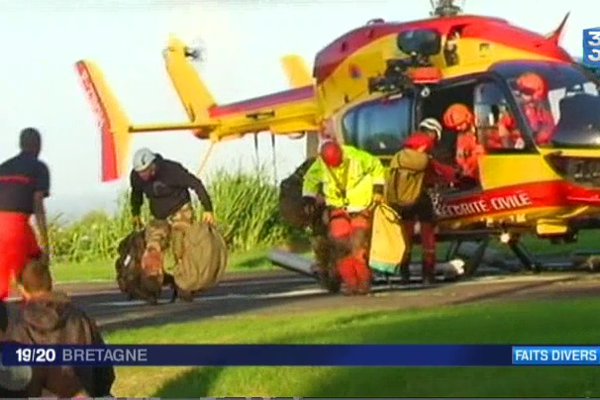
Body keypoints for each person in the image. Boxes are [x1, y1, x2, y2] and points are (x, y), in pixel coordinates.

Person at [2, 258, 115, 397]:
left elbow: (11, 381)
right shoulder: (80, 319)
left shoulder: (18, 327)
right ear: (50, 283)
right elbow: (104, 375)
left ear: (22, 289)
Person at [130, 148, 215, 301]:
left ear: (153, 166)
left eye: (145, 171)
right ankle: (151, 288)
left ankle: (185, 286)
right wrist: (135, 212)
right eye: (140, 173)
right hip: (159, 216)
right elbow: (136, 193)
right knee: (152, 249)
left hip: (180, 211)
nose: (142, 176)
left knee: (179, 247)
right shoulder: (137, 176)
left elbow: (196, 184)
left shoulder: (172, 170)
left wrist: (208, 209)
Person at [302, 140, 385, 295]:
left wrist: (378, 190)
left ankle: (364, 284)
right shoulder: (321, 164)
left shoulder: (357, 157)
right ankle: (352, 285)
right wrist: (308, 198)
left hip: (361, 207)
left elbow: (376, 167)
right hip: (338, 208)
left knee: (358, 248)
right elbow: (310, 179)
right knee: (340, 248)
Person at [391, 118, 458, 285]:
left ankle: (404, 273)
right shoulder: (426, 144)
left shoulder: (405, 146)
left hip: (404, 196)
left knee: (406, 235)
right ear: (433, 132)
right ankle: (428, 274)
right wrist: (454, 175)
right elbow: (432, 167)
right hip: (421, 195)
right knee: (427, 235)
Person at [0, 128, 50, 302]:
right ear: (38, 146)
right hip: (17, 226)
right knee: (34, 271)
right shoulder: (39, 168)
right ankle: (37, 317)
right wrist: (45, 243)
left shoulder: (3, 167)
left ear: (21, 144)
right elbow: (38, 205)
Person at [442, 103, 484, 186]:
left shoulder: (482, 127)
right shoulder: (462, 136)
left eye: (460, 124)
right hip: (472, 180)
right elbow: (460, 156)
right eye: (455, 127)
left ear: (468, 118)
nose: (458, 128)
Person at [514, 71, 555, 145]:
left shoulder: (544, 114)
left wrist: (534, 140)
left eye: (527, 92)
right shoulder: (515, 111)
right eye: (527, 92)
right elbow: (502, 128)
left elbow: (548, 130)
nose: (534, 97)